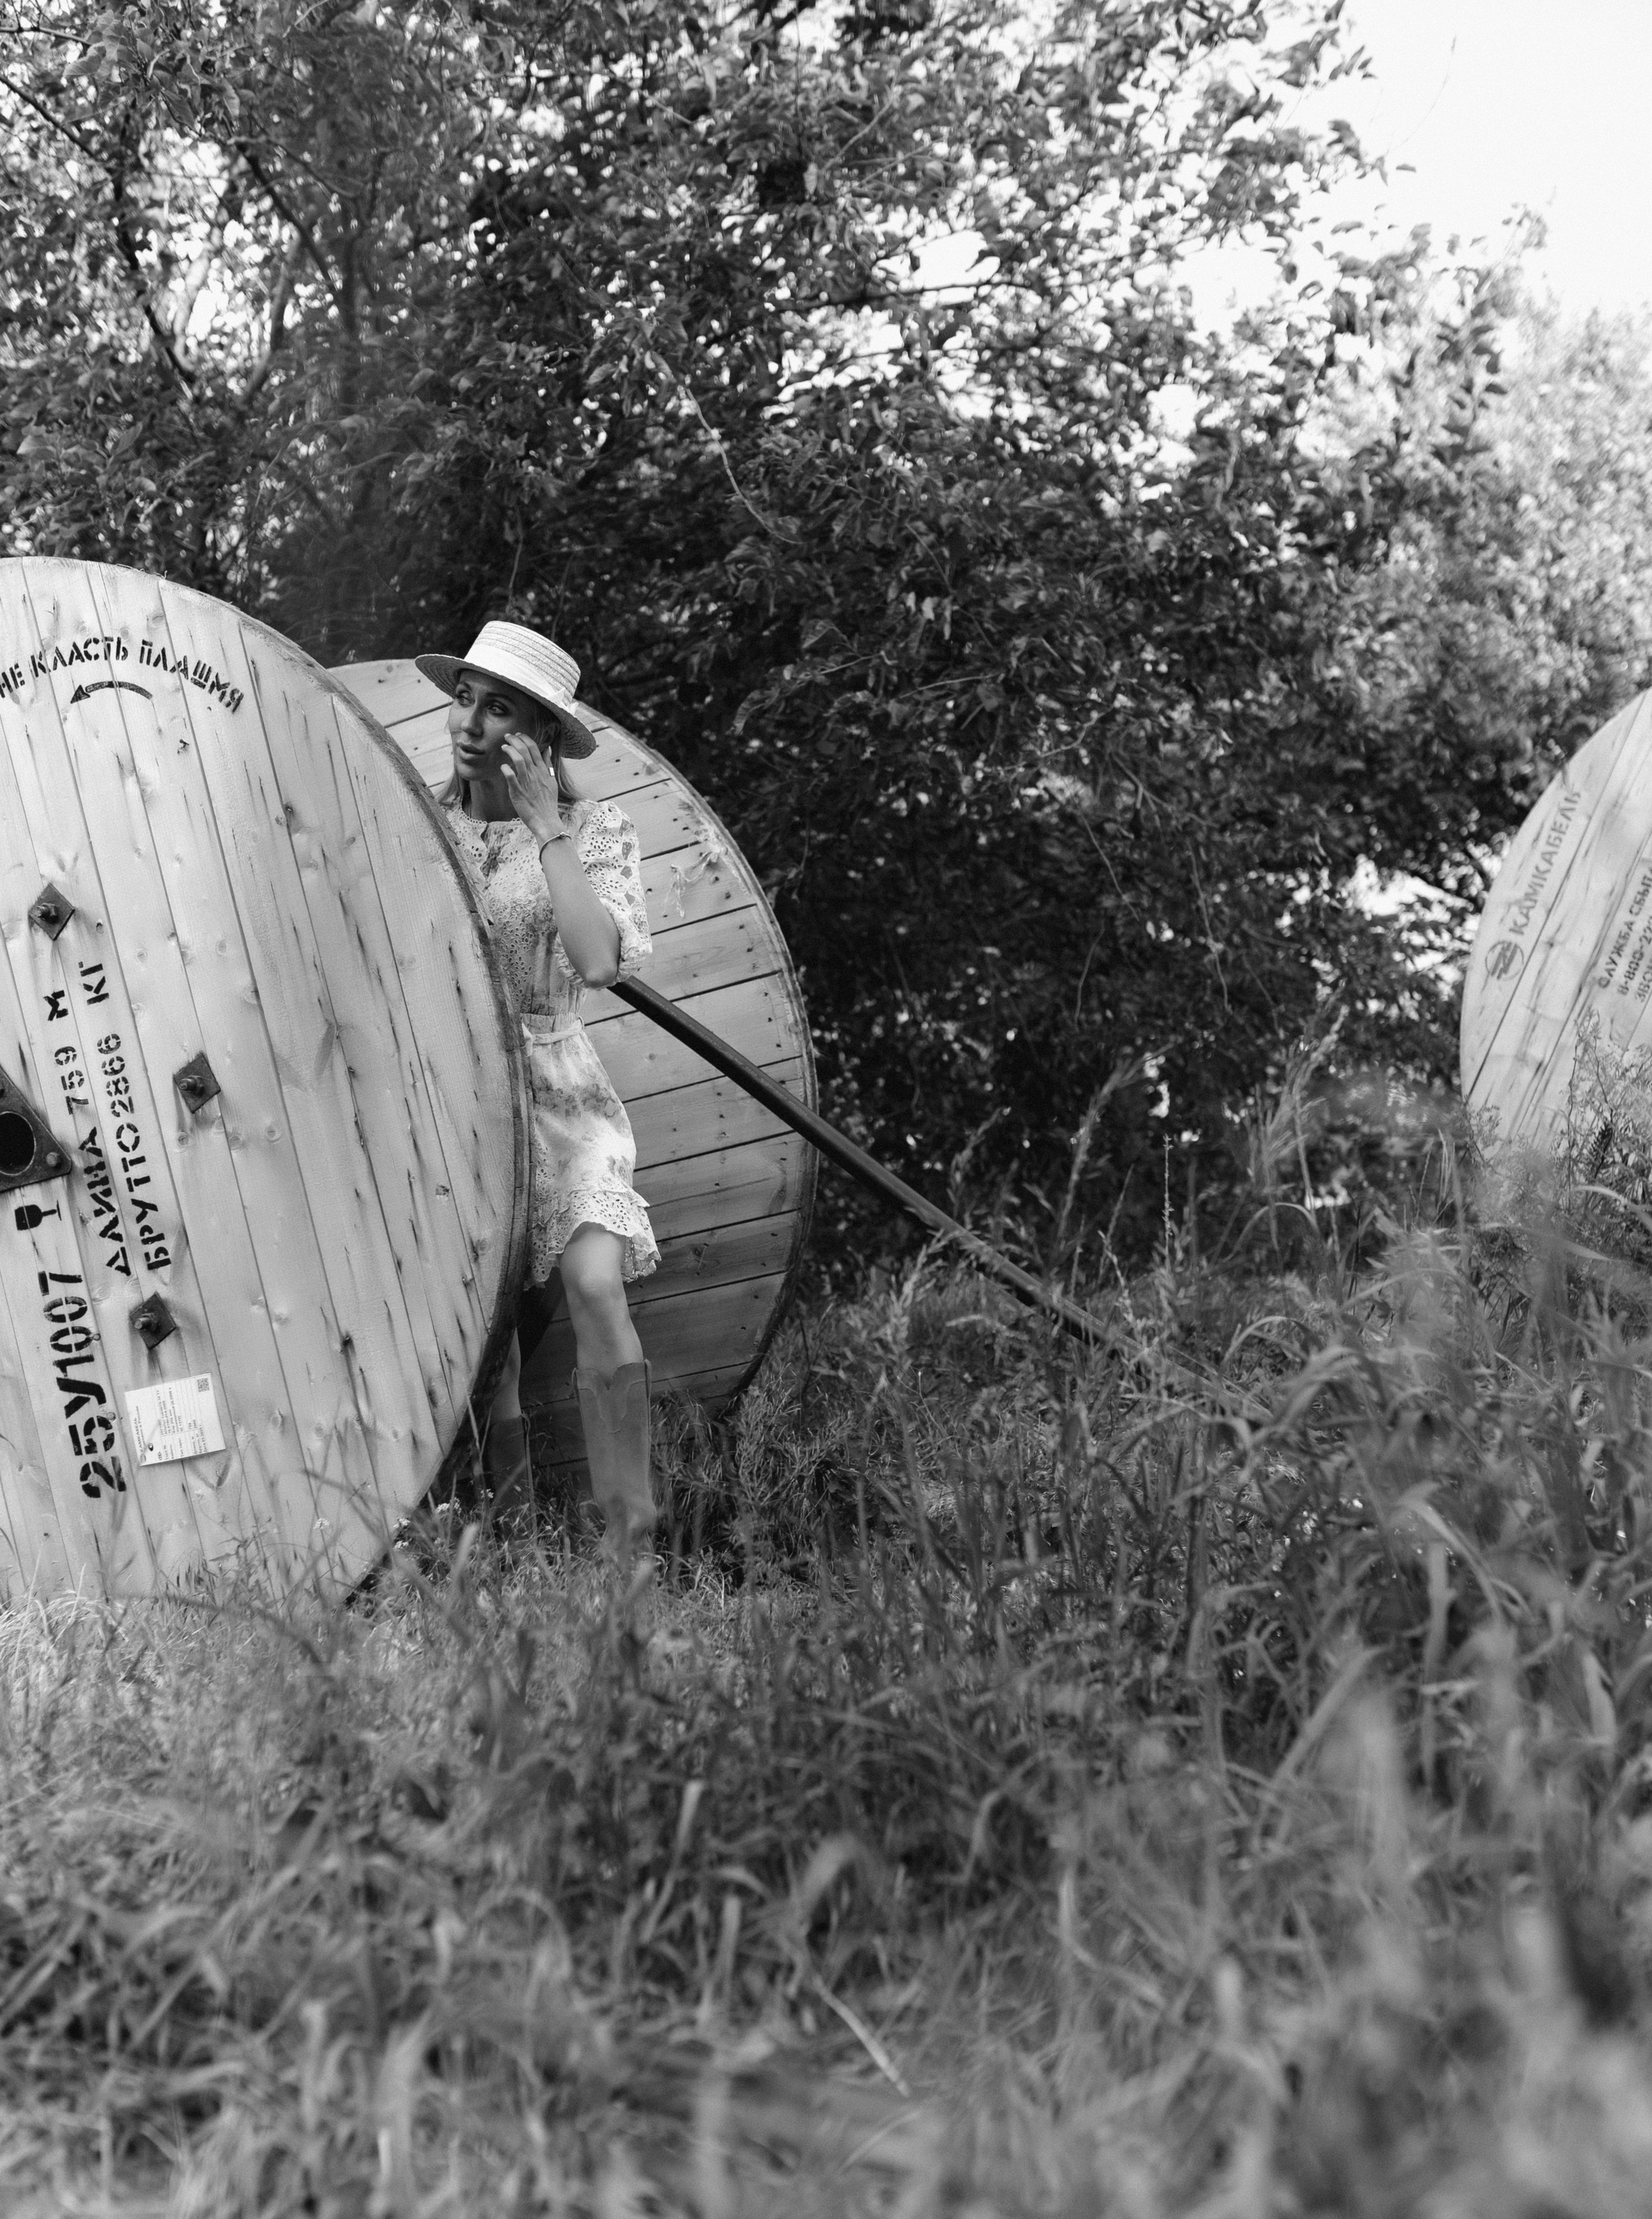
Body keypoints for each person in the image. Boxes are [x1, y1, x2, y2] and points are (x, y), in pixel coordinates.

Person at [415, 620, 660, 1553]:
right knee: (491, 1343)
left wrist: (547, 825)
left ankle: (631, 1543)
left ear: (543, 737)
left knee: (597, 1283)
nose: (469, 724)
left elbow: (598, 962)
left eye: (499, 709)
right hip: (455, 1096)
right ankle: (506, 1547)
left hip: (561, 1090)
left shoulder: (596, 833)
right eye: (465, 699)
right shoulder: (422, 825)